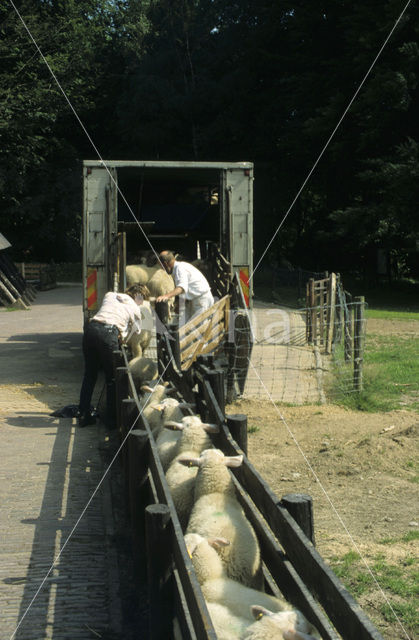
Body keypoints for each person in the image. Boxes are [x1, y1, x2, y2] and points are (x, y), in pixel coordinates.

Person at [78, 283, 150, 428]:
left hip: (91, 329)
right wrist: (121, 336)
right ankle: (111, 420)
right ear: (139, 297)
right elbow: (135, 333)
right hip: (109, 333)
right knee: (111, 378)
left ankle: (84, 414)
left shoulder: (110, 295)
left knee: (90, 375)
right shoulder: (135, 308)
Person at [156, 250, 214, 324]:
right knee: (187, 326)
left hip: (202, 300)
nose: (162, 269)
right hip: (195, 300)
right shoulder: (179, 267)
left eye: (162, 266)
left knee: (197, 329)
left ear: (165, 264)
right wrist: (179, 304)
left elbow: (181, 288)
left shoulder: (180, 269)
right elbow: (187, 288)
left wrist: (166, 296)